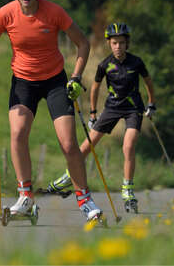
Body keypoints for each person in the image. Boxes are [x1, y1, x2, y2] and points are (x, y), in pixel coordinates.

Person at [0, 0, 103, 221]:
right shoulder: (6, 13)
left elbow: (82, 44)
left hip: (55, 81)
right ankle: (26, 198)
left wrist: (76, 77)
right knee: (18, 134)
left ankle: (85, 200)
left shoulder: (54, 12)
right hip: (23, 83)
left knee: (69, 144)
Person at [46, 22, 156, 213]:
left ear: (127, 43)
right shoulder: (105, 64)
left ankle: (127, 189)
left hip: (133, 109)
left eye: (122, 43)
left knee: (128, 146)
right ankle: (68, 177)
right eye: (114, 43)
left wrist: (151, 103)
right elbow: (95, 88)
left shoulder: (136, 62)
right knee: (87, 145)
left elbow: (148, 82)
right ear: (109, 44)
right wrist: (94, 113)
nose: (118, 47)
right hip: (112, 108)